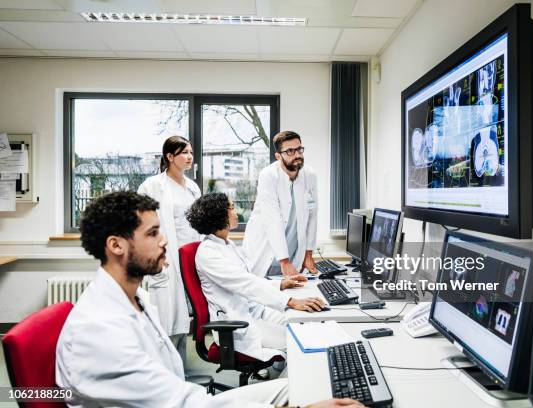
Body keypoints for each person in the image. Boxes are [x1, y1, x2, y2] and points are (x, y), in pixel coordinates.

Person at [56, 191, 363, 408]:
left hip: (185, 399)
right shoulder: (98, 330)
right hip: (184, 403)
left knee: (303, 387)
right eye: (152, 233)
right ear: (116, 245)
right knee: (305, 397)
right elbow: (182, 404)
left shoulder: (139, 300)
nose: (164, 240)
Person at [186, 193, 326, 361]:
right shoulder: (208, 253)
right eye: (231, 207)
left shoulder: (226, 244)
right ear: (219, 215)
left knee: (304, 324)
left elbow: (247, 279)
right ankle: (291, 385)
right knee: (300, 342)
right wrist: (291, 301)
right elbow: (246, 284)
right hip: (238, 324)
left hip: (254, 311)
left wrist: (281, 285)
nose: (236, 211)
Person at [137, 136, 200, 372]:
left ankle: (179, 370)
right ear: (169, 157)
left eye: (191, 152)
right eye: (184, 152)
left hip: (189, 259)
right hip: (166, 260)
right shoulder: (152, 186)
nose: (189, 157)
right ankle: (163, 374)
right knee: (166, 320)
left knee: (184, 320)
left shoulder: (193, 187)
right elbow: (142, 224)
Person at [243, 131, 318, 278]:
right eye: (290, 151)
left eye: (299, 149)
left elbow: (312, 217)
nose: (297, 155)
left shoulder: (310, 174)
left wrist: (308, 254)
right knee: (264, 294)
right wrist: (284, 261)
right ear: (278, 156)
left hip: (293, 254)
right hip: (266, 251)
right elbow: (272, 220)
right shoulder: (268, 175)